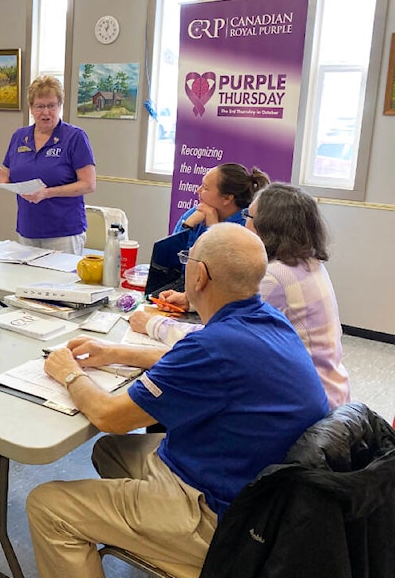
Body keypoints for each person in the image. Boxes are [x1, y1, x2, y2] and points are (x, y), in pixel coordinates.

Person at [27, 223, 328, 578]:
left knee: (47, 506)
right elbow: (193, 362)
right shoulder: (267, 321)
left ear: (199, 276)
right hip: (265, 499)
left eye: (188, 261)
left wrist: (69, 373)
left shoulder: (214, 348)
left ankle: (176, 543)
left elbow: (111, 416)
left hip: (225, 522)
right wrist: (113, 352)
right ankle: (145, 529)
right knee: (110, 451)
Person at [132, 183, 350, 408]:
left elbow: (218, 340)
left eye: (248, 215)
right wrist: (191, 301)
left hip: (302, 403)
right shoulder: (307, 263)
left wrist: (153, 324)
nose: (244, 222)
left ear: (266, 226)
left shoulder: (274, 276)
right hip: (329, 388)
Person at [0, 75, 96, 255]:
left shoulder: (75, 137)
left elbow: (89, 184)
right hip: (28, 230)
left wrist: (47, 193)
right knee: (27, 282)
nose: (46, 112)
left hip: (64, 232)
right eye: (40, 106)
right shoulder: (19, 136)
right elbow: (12, 173)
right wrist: (5, 179)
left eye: (51, 105)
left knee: (59, 283)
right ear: (31, 108)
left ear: (60, 106)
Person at [173, 162, 270, 248]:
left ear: (227, 198)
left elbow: (225, 266)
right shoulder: (196, 212)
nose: (198, 190)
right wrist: (188, 225)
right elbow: (166, 257)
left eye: (205, 188)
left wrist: (213, 226)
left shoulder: (247, 227)